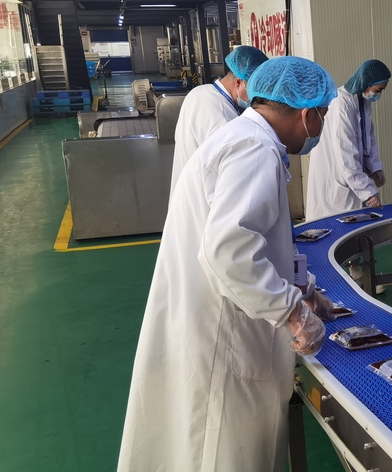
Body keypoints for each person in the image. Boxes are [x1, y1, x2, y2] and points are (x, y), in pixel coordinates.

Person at [118, 56, 338, 472]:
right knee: (224, 450)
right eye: (322, 116)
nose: (320, 130)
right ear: (307, 114)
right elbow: (228, 250)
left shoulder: (247, 138)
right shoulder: (254, 149)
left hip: (214, 320)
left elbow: (261, 237)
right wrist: (292, 313)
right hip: (224, 333)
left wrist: (304, 288)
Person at [169, 45, 269, 192]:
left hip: (185, 192)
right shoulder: (222, 119)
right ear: (238, 82)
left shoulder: (199, 92)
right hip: (204, 206)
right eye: (255, 89)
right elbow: (231, 178)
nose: (256, 97)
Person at [305, 59, 391, 220]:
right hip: (336, 180)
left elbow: (368, 138)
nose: (378, 94)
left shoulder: (361, 101)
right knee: (335, 226)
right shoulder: (342, 103)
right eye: (378, 89)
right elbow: (346, 151)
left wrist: (375, 167)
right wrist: (367, 192)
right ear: (366, 83)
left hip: (350, 176)